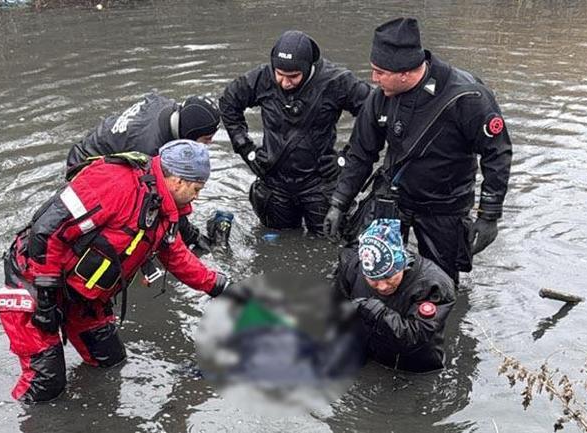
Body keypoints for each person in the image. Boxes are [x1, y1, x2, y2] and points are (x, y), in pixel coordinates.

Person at [0, 140, 240, 403]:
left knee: (110, 361)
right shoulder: (115, 181)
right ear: (178, 181)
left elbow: (176, 255)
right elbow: (45, 230)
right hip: (34, 281)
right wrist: (45, 299)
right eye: (196, 189)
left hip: (83, 296)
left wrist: (219, 286)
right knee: (46, 385)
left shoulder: (164, 209)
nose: (197, 197)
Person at [323, 18, 512, 283]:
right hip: (395, 195)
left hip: (445, 204)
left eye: (380, 72)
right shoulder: (380, 98)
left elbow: (497, 154)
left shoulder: (468, 97)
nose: (374, 79)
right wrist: (339, 203)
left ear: (404, 72)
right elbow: (361, 154)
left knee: (440, 283)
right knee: (373, 273)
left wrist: (489, 215)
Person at [219, 30, 371, 233]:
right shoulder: (262, 78)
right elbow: (228, 102)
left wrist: (346, 158)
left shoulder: (336, 82)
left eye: (293, 76)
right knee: (274, 239)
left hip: (319, 182)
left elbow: (372, 112)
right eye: (279, 74)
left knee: (330, 241)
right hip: (275, 181)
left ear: (308, 68)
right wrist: (246, 149)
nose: (284, 82)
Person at [67, 93, 226, 253]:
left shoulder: (166, 105)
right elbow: (166, 203)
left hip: (92, 146)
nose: (209, 143)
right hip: (84, 166)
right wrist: (193, 236)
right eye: (206, 139)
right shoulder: (151, 152)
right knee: (141, 216)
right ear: (190, 134)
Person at [332, 218, 456, 372]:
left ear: (402, 265)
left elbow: (416, 337)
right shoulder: (352, 266)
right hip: (370, 354)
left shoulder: (434, 285)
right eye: (373, 279)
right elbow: (338, 308)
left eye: (389, 277)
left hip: (415, 367)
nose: (382, 286)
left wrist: (377, 311)